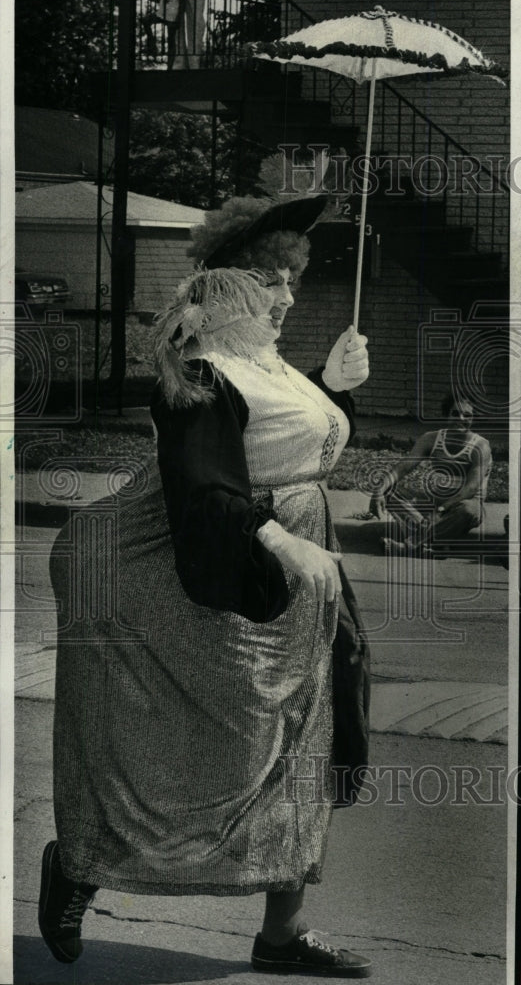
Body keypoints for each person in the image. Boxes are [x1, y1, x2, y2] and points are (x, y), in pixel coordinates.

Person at [39, 193, 373, 978]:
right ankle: (80, 864)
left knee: (300, 743)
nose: (287, 296)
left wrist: (335, 387)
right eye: (272, 279)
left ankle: (282, 937)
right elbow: (201, 487)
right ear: (226, 285)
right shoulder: (197, 369)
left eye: (292, 278)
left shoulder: (268, 362)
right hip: (206, 568)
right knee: (186, 749)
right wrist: (278, 538)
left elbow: (289, 443)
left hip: (291, 575)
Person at [370, 392, 492, 556]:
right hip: (435, 503)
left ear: (473, 418)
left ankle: (410, 546)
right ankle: (435, 543)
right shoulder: (431, 438)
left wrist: (440, 511)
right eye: (455, 413)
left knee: (470, 510)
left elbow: (470, 489)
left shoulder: (481, 446)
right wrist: (378, 491)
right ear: (446, 414)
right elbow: (404, 467)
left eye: (467, 415)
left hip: (461, 507)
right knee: (389, 489)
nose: (461, 419)